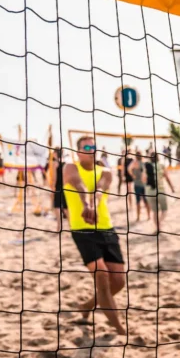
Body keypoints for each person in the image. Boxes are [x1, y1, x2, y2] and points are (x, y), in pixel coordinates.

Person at [63, 136, 126, 335]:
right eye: (87, 147)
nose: (91, 150)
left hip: (106, 228)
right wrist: (86, 205)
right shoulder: (70, 168)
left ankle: (87, 306)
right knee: (102, 276)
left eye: (94, 146)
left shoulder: (106, 171)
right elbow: (79, 185)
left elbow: (99, 189)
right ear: (78, 151)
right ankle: (119, 329)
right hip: (83, 230)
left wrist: (94, 204)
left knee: (119, 281)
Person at [144, 152, 175, 232]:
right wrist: (172, 188)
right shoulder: (161, 165)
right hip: (160, 190)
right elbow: (167, 178)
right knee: (164, 210)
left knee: (154, 212)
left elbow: (143, 179)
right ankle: (159, 225)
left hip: (149, 191)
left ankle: (157, 227)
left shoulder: (146, 166)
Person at [51, 149, 68, 232]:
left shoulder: (55, 163)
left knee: (57, 206)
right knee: (65, 207)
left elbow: (54, 178)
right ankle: (71, 225)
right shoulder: (66, 163)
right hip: (66, 186)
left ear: (56, 153)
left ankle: (59, 226)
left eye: (53, 153)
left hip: (58, 187)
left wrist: (52, 187)